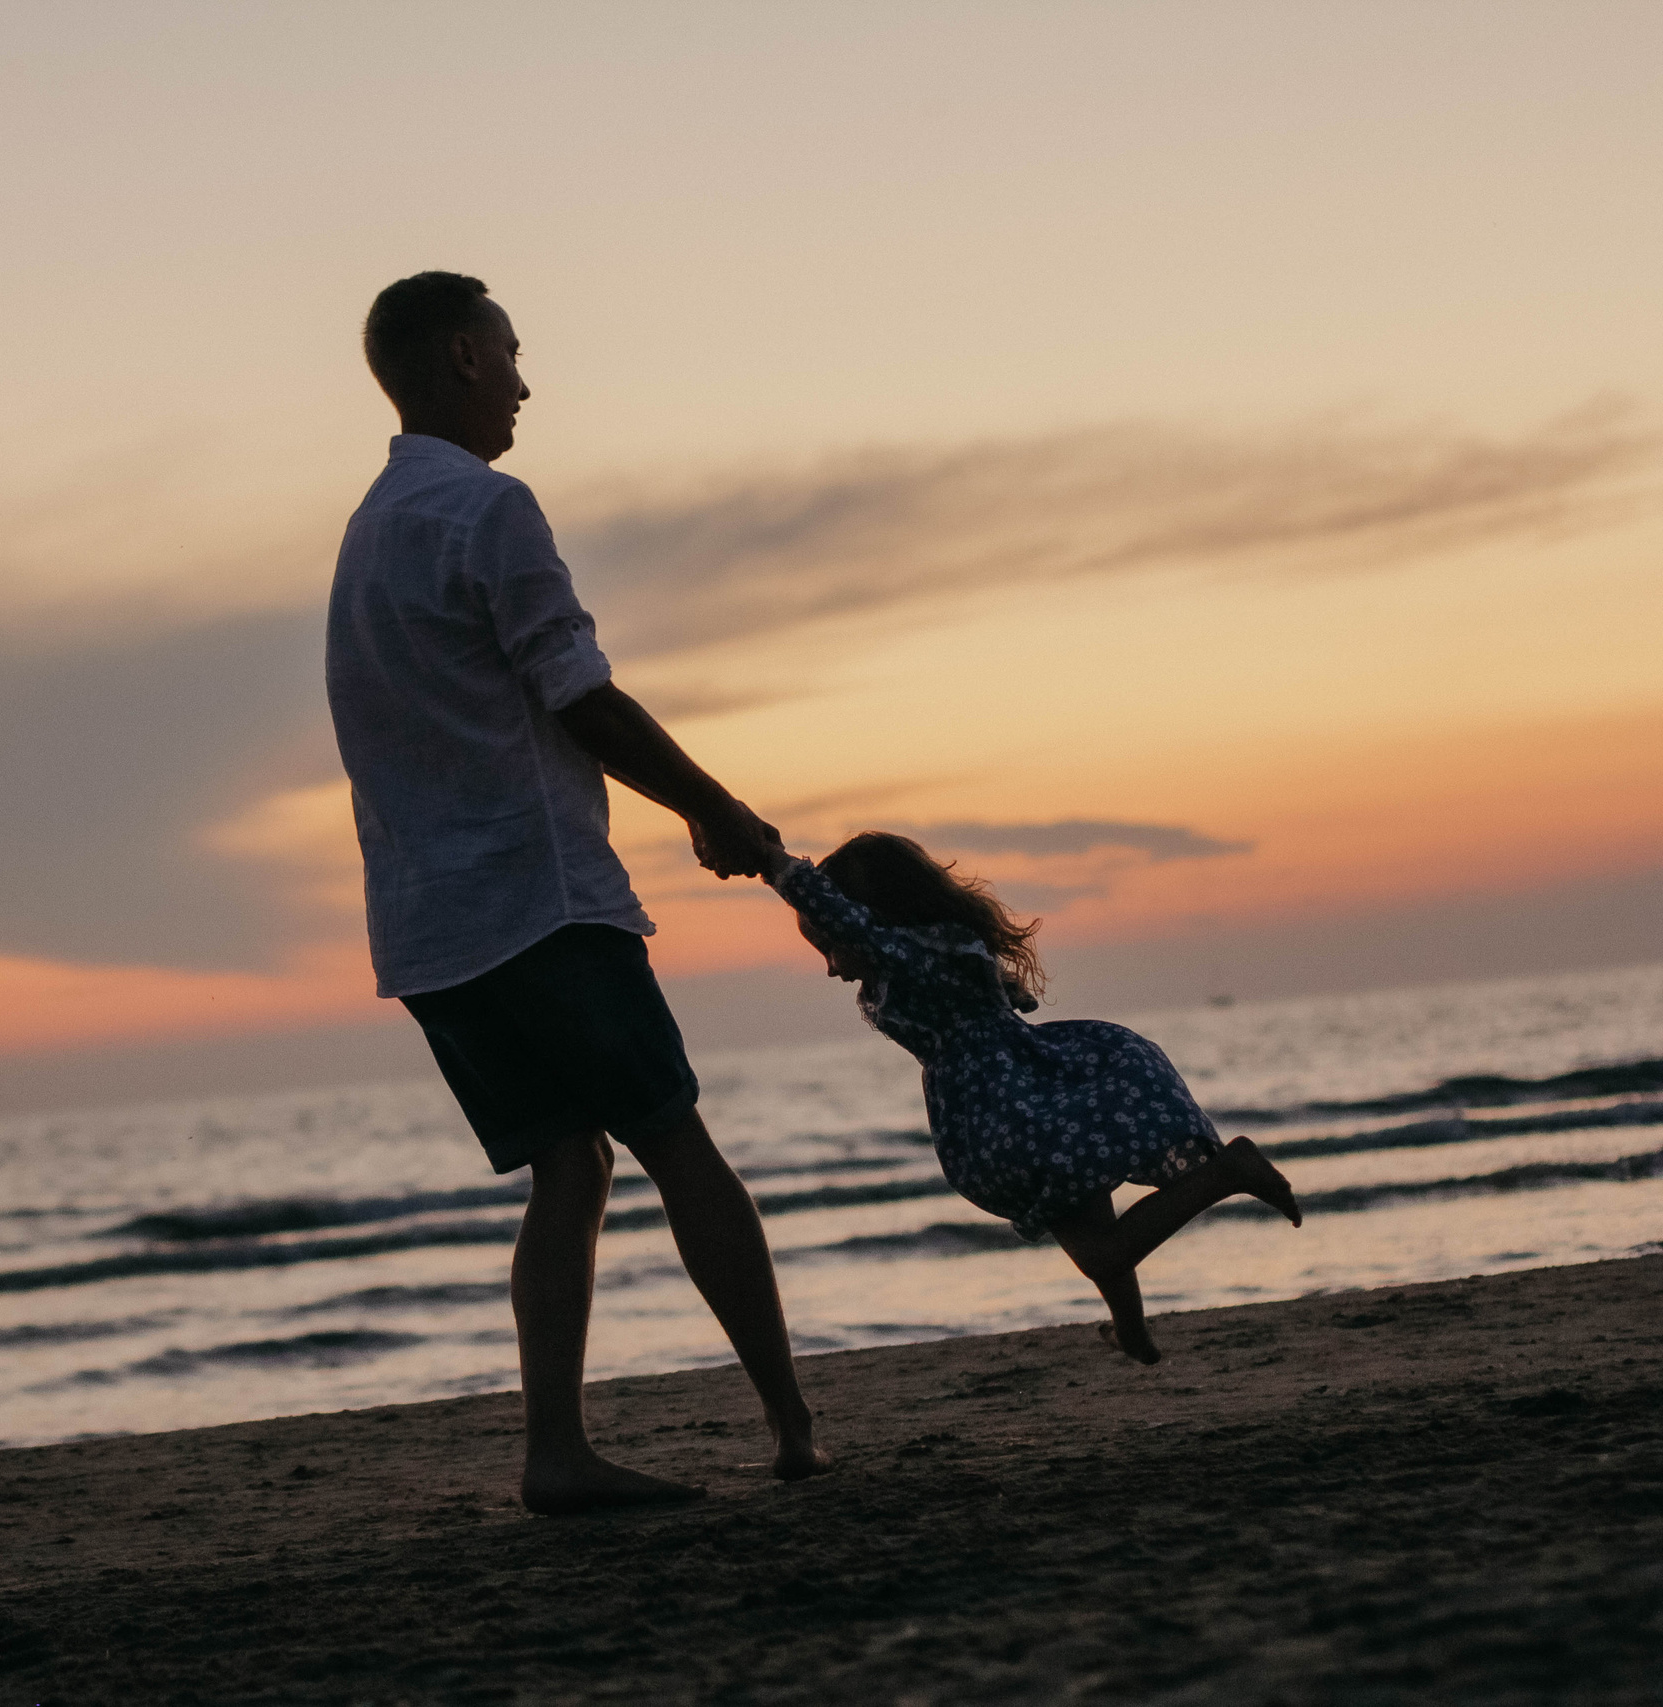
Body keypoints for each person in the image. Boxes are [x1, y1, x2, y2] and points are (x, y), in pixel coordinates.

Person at [327, 271, 827, 1514]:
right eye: (507, 353)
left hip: (429, 925)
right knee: (674, 1140)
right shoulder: (484, 509)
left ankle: (556, 1453)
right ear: (457, 357)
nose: (524, 381)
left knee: (571, 1167)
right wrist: (714, 806)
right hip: (536, 899)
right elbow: (577, 691)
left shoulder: (368, 532)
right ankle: (793, 1431)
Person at [764, 831, 1304, 1363]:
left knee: (1100, 1253)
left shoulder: (905, 954)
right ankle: (1131, 1332)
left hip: (1008, 1107)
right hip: (1033, 1086)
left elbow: (843, 917)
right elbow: (966, 985)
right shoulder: (938, 945)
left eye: (830, 947)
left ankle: (1229, 1172)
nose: (831, 967)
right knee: (1094, 1224)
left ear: (872, 917)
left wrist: (775, 864)